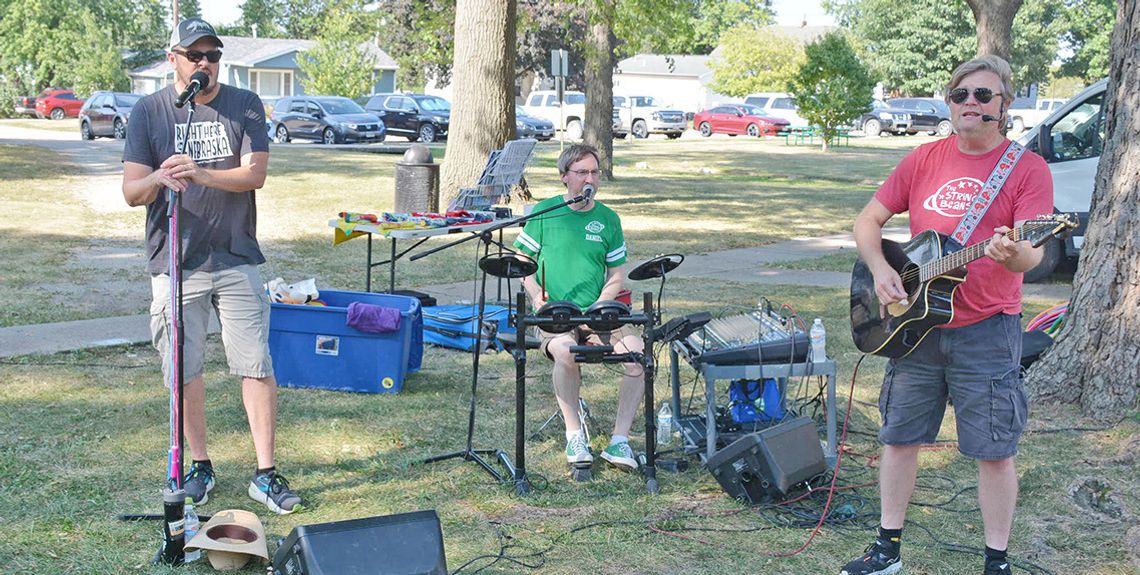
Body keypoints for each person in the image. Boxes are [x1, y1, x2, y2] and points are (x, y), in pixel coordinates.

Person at [842, 55, 1053, 575]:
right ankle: (887, 548)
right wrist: (881, 268)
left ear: (1004, 106)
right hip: (915, 330)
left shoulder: (1027, 168)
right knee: (898, 439)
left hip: (988, 329)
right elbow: (868, 220)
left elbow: (1033, 253)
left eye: (983, 96)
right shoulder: (923, 159)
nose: (969, 104)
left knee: (994, 449)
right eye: (960, 95)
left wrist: (1014, 253)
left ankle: (996, 561)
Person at [121, 18, 302, 515]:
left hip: (236, 257)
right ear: (172, 58)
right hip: (176, 262)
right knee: (184, 369)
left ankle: (265, 474)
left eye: (213, 55)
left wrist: (200, 173)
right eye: (195, 54)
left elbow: (255, 175)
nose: (205, 63)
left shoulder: (243, 104)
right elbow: (132, 192)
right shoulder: (149, 112)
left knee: (255, 365)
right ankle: (199, 464)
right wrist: (161, 175)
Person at [513, 144, 646, 472]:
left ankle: (619, 441)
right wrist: (535, 294)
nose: (590, 178)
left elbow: (617, 274)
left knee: (638, 355)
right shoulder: (545, 212)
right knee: (565, 351)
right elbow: (521, 262)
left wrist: (604, 301)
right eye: (582, 172)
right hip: (555, 312)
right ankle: (575, 435)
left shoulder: (608, 219)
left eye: (594, 172)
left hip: (598, 312)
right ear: (564, 177)